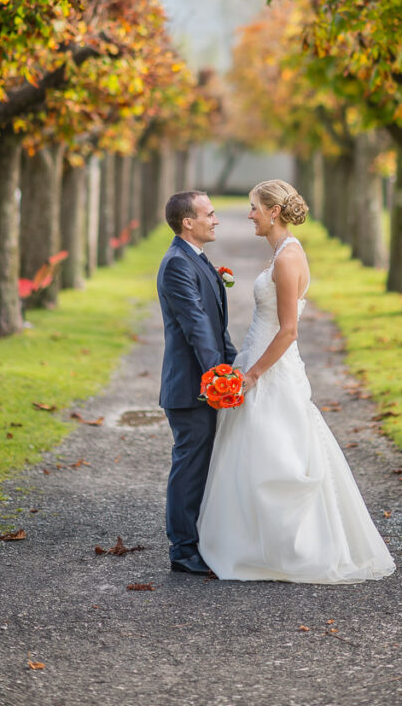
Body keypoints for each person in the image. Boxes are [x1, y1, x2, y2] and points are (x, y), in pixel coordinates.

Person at [197, 179, 396, 583]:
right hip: (258, 360)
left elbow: (288, 331)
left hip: (271, 370)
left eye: (254, 207)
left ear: (273, 212)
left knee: (277, 455)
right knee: (252, 453)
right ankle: (251, 542)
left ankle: (289, 549)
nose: (249, 214)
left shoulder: (288, 258)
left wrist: (252, 374)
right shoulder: (281, 253)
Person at [157, 190, 238, 576]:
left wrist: (236, 364)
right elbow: (196, 328)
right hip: (191, 388)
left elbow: (216, 327)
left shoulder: (195, 260)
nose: (216, 219)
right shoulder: (176, 264)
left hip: (204, 382)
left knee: (202, 464)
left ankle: (199, 541)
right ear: (188, 222)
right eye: (209, 213)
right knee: (190, 466)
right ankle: (183, 550)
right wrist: (218, 376)